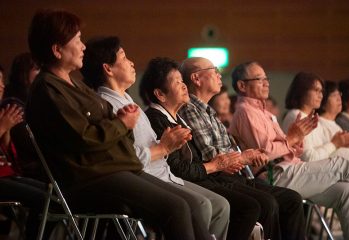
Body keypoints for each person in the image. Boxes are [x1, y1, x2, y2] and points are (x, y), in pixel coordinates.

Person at [26, 9, 211, 240]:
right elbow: (84, 138)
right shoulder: (48, 89)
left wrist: (119, 119)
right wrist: (122, 123)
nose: (83, 46)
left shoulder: (73, 84)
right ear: (57, 50)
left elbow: (99, 125)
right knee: (177, 208)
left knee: (191, 204)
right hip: (88, 179)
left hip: (113, 169)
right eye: (77, 40)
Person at [81, 36, 228, 240]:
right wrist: (165, 147)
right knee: (195, 204)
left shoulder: (127, 101)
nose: (131, 63)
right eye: (124, 57)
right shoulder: (108, 105)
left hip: (162, 174)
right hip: (143, 177)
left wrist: (169, 143)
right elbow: (123, 157)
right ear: (108, 69)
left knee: (210, 203)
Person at [178, 57, 306, 240]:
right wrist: (243, 157)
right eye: (214, 70)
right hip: (216, 176)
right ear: (197, 79)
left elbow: (228, 148)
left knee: (291, 199)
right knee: (266, 203)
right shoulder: (189, 109)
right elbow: (212, 154)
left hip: (233, 173)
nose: (219, 74)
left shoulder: (208, 110)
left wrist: (246, 156)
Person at [229, 62, 349, 239]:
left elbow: (284, 148)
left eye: (266, 79)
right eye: (260, 79)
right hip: (273, 175)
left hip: (290, 170)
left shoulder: (265, 113)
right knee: (345, 164)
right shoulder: (246, 111)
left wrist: (295, 143)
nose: (267, 83)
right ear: (242, 85)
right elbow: (265, 154)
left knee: (348, 192)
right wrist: (292, 139)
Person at [141, 57, 263, 239]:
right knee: (233, 205)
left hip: (202, 175)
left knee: (260, 200)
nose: (184, 86)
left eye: (183, 81)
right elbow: (178, 168)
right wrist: (216, 165)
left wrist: (221, 163)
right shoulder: (157, 120)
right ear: (160, 94)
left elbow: (198, 160)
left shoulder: (177, 118)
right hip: (178, 179)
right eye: (177, 82)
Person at [0, 103, 48, 239]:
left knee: (52, 196)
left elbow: (6, 151)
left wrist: (7, 130)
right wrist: (2, 127)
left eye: (2, 82)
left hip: (7, 174)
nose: (2, 86)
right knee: (44, 199)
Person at [282, 78, 349, 162]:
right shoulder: (297, 115)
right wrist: (335, 144)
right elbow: (310, 158)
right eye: (316, 90)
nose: (320, 96)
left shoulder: (316, 121)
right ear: (302, 92)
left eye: (321, 91)